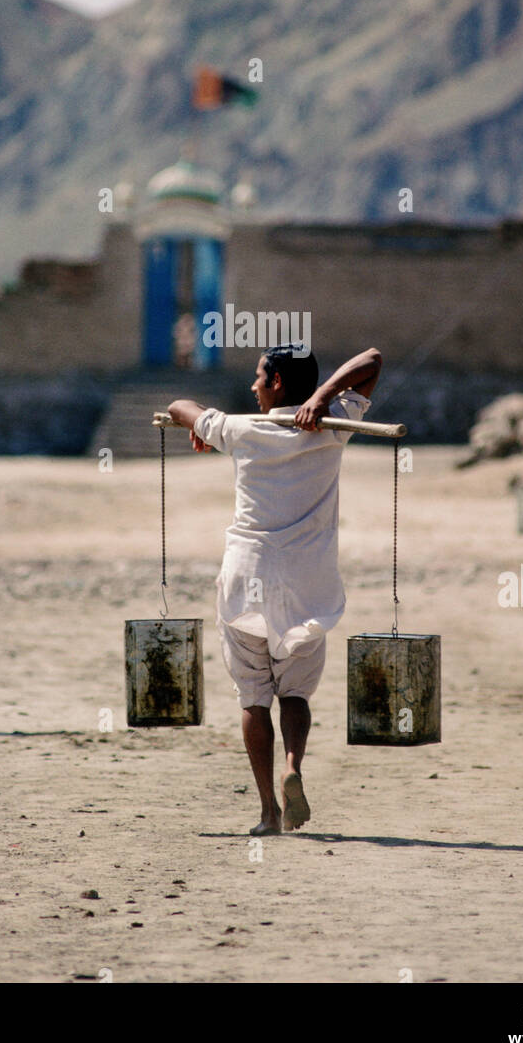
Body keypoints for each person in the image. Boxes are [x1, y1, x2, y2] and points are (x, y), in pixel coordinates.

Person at [168, 344, 381, 836]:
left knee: (253, 697)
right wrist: (326, 399)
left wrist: (198, 428)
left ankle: (268, 811)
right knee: (296, 693)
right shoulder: (333, 429)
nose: (253, 387)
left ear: (278, 383)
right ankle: (292, 768)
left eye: (259, 378)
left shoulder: (242, 430)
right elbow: (371, 361)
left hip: (248, 579)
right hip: (309, 581)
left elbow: (182, 405)